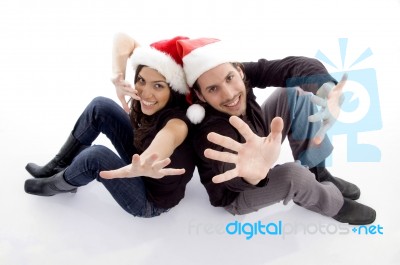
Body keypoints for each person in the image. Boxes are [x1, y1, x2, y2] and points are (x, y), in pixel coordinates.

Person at [173, 37, 376, 225]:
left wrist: (327, 89)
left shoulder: (242, 76)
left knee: (296, 94)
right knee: (294, 176)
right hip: (238, 191)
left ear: (240, 70)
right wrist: (252, 175)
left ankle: (318, 173)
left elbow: (290, 67)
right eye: (213, 89)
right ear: (199, 95)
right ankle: (332, 204)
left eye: (229, 78)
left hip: (258, 143)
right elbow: (229, 173)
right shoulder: (210, 132)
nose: (229, 94)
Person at [24, 34, 196, 218]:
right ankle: (57, 165)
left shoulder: (178, 123)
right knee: (100, 106)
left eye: (158, 86)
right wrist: (118, 78)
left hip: (149, 199)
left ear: (174, 89)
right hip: (138, 164)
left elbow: (166, 140)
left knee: (95, 156)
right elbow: (123, 39)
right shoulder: (154, 87)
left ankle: (55, 185)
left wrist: (145, 163)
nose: (145, 93)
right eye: (142, 80)